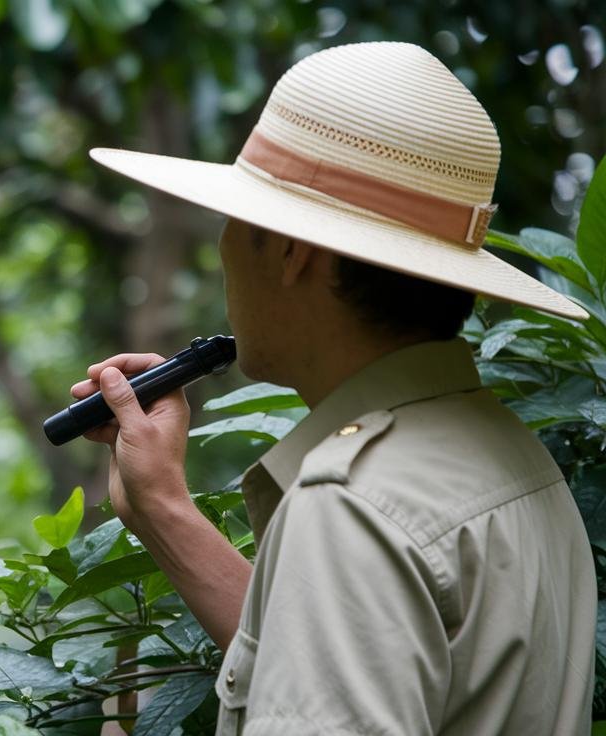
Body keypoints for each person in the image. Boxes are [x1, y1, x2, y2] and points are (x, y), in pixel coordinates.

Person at [70, 42, 595, 734]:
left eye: (236, 220)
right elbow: (329, 667)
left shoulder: (353, 506)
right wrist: (162, 506)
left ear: (292, 252)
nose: (223, 246)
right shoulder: (511, 459)